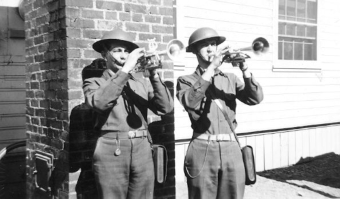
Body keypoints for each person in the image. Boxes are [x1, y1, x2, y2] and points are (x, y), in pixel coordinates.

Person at [83, 29, 174, 199]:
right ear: (104, 55)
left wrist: (154, 75)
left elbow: (165, 108)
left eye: (127, 51)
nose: (124, 56)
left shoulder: (140, 82)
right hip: (112, 149)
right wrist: (125, 70)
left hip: (142, 148)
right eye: (118, 50)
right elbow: (100, 103)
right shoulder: (94, 82)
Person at [176, 27, 264, 199]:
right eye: (204, 45)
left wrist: (245, 69)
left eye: (213, 44)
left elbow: (255, 98)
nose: (210, 49)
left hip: (231, 149)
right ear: (194, 50)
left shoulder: (230, 78)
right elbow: (190, 101)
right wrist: (212, 67)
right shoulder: (186, 80)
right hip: (202, 148)